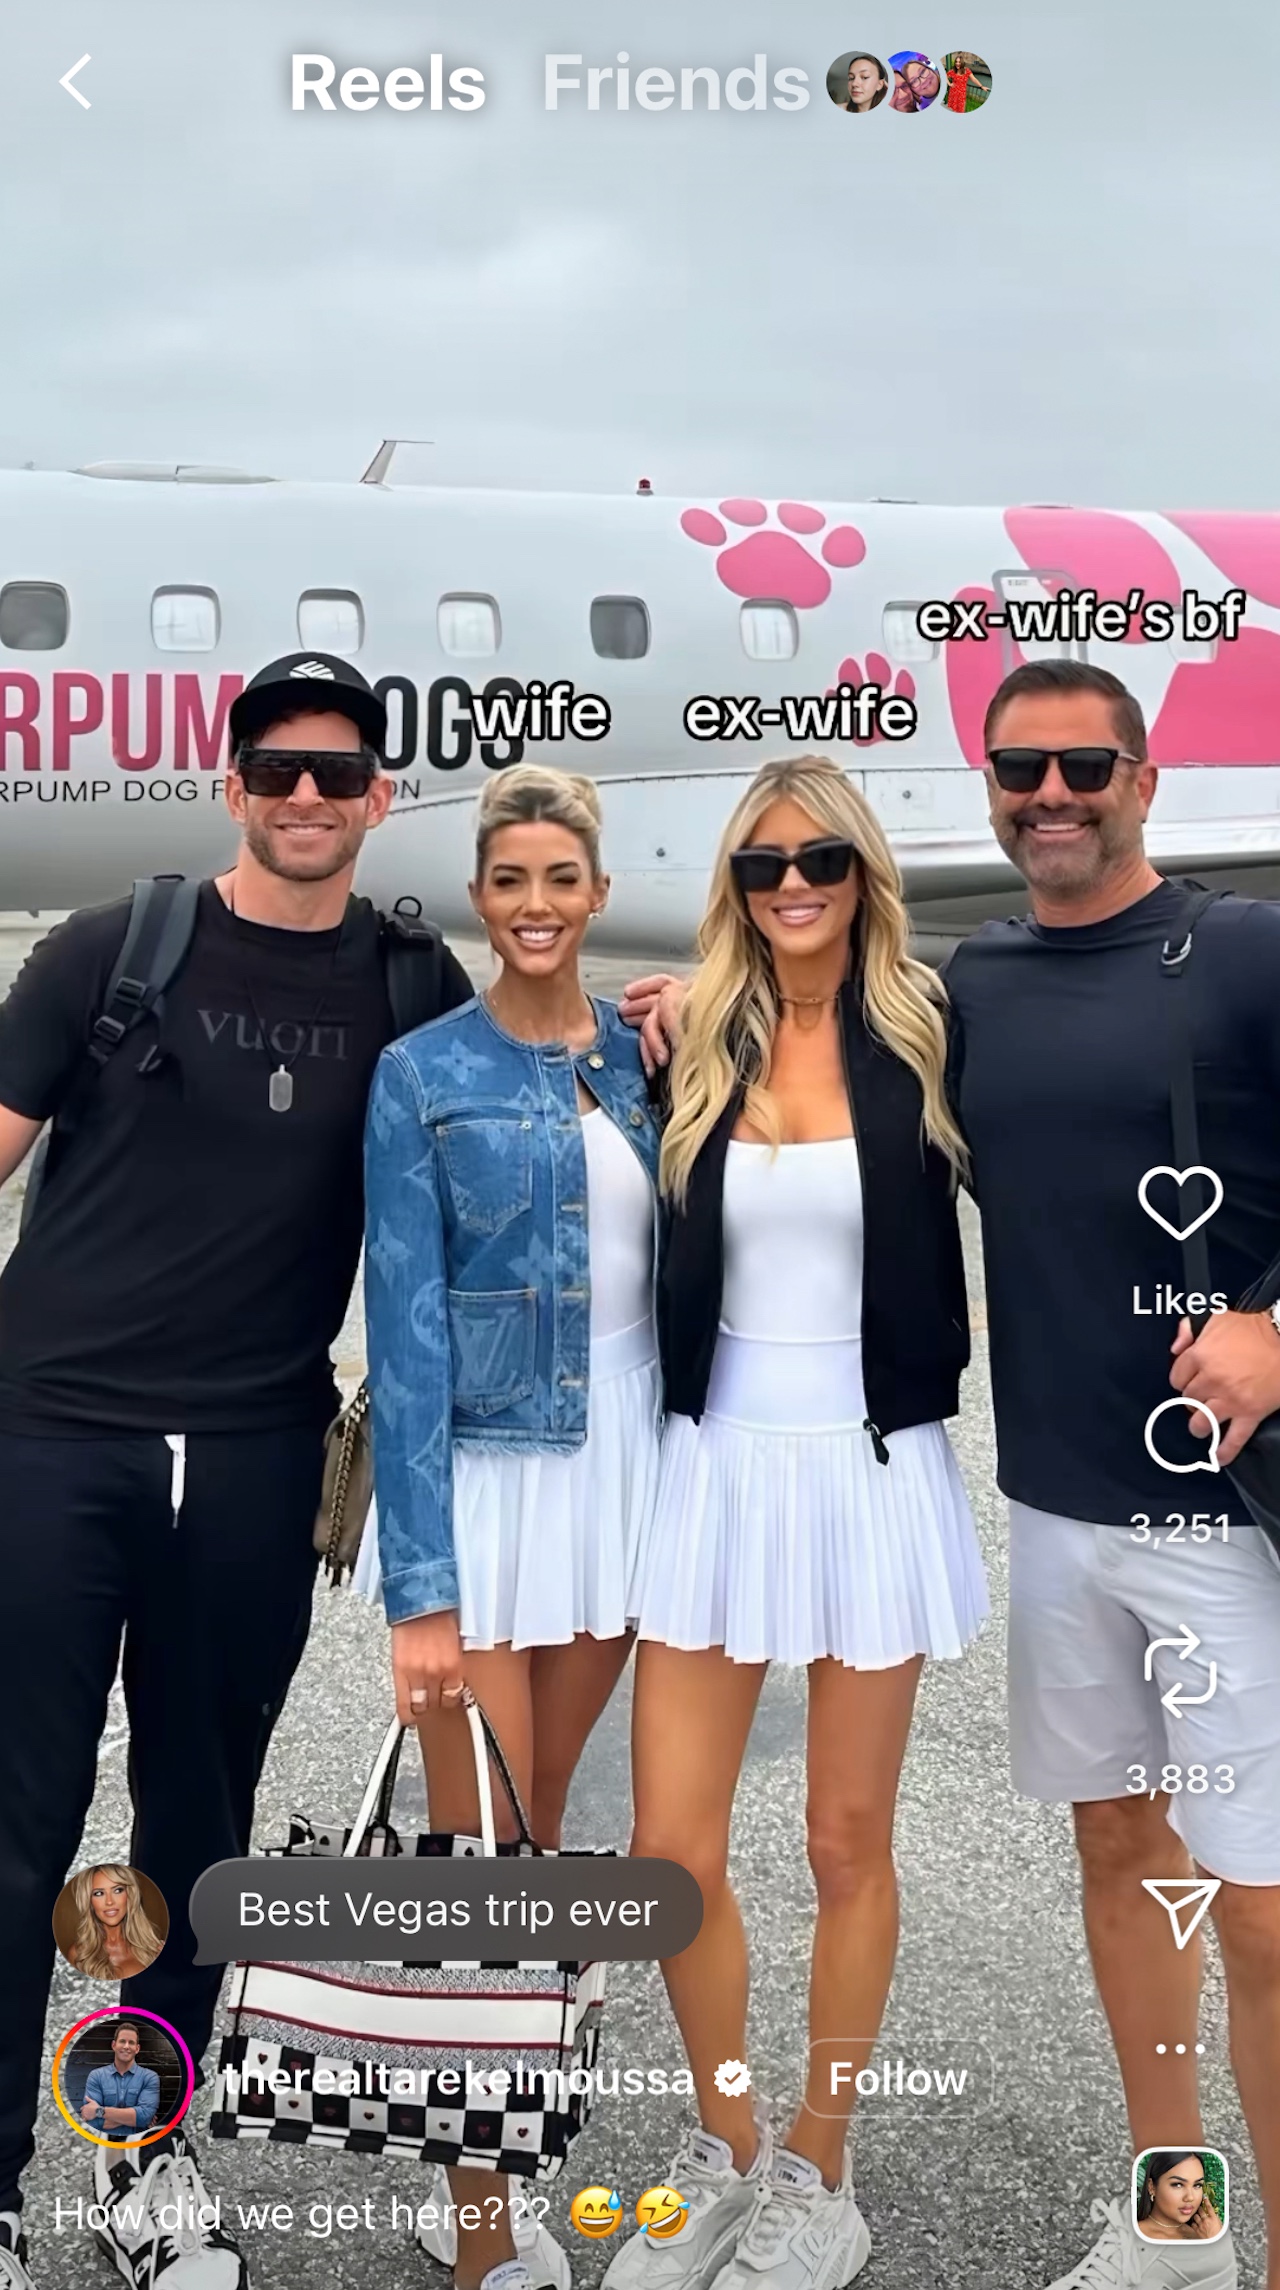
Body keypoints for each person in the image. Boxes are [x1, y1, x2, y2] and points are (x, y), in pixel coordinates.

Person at [0, 651, 480, 2290]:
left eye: (338, 773)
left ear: (379, 798)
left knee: (196, 1834)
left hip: (262, 1454)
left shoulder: (411, 983)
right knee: (19, 1819)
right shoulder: (108, 949)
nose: (306, 797)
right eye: (278, 769)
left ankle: (144, 2153)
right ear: (234, 786)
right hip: (52, 1438)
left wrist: (672, 1021)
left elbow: (522, 1126)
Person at [605, 756, 987, 2290]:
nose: (791, 885)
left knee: (844, 1840)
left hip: (871, 1465)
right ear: (736, 887)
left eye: (819, 857)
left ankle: (822, 2168)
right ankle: (727, 2142)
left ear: (863, 872)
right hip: (716, 1460)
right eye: (761, 864)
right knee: (668, 1846)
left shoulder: (933, 1033)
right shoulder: (692, 1036)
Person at [944, 658, 1274, 2289]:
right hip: (1062, 1505)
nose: (1053, 795)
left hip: (1227, 1515)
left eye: (1086, 766)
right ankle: (1178, 2225)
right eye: (1023, 769)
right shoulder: (975, 980)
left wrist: (1278, 1327)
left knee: (1261, 1907)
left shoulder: (1246, 949)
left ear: (1145, 780)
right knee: (1120, 1860)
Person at [363, 764, 663, 2290]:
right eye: (510, 879)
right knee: (481, 1866)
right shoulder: (420, 1071)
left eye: (561, 877)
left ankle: (488, 2175)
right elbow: (404, 1332)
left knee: (537, 1853)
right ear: (480, 897)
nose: (536, 904)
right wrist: (420, 1588)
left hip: (619, 1484)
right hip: (485, 1488)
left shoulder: (645, 1056)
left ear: (597, 892)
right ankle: (482, 2235)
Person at [65, 1864, 164, 1982]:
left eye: (118, 1890)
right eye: (99, 1893)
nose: (109, 1902)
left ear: (130, 1895)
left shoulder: (155, 1949)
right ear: (89, 1902)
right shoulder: (79, 1954)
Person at [78, 2022, 159, 2143]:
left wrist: (99, 2111)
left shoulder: (149, 2077)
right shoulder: (96, 2076)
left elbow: (145, 2117)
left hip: (138, 2145)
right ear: (114, 2045)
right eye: (122, 2041)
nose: (126, 2046)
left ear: (137, 2049)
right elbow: (92, 2120)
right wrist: (135, 2117)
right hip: (104, 2145)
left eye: (131, 2043)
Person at [1135, 2154, 1223, 2243]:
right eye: (1178, 2185)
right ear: (1151, 2187)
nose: (1190, 2197)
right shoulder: (1132, 2237)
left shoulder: (1205, 2234)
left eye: (1197, 2185)